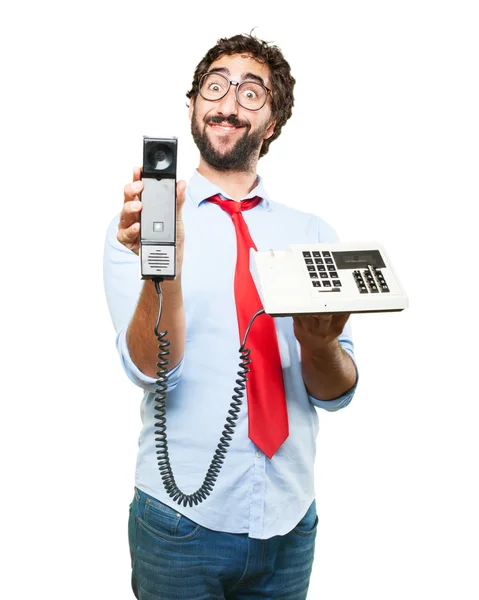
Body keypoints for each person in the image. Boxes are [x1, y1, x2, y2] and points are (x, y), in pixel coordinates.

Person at [103, 32, 358, 600]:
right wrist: (161, 272)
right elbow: (150, 369)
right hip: (177, 526)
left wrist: (319, 347)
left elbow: (337, 392)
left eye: (251, 93)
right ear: (194, 106)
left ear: (271, 122)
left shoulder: (313, 236)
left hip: (290, 525)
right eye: (214, 87)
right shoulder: (141, 228)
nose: (227, 102)